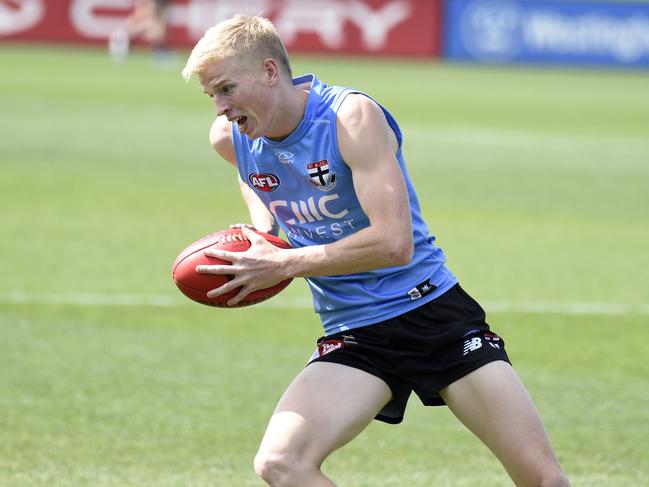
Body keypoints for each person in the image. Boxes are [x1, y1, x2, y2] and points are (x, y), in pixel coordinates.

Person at [181, 14, 571, 487]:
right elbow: (255, 178)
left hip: (432, 315)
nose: (221, 108)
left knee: (542, 480)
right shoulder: (234, 139)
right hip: (356, 333)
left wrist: (283, 262)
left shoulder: (349, 116)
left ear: (269, 71)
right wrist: (265, 234)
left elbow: (393, 245)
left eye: (226, 88)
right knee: (281, 463)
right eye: (212, 96)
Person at [108, 0, 172, 64]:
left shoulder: (155, 12)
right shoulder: (146, 7)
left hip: (142, 24)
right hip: (132, 26)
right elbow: (139, 15)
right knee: (153, 26)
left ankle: (160, 53)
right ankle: (159, 53)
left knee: (155, 27)